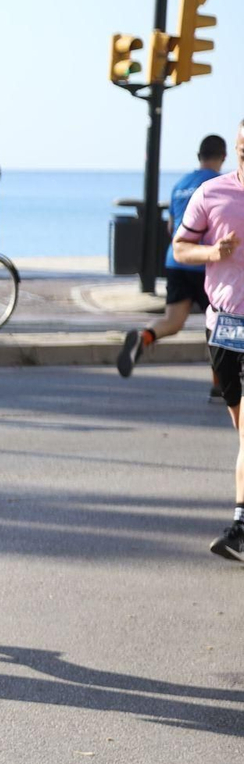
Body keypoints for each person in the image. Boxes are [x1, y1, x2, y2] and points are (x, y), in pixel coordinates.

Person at [171, 120, 244, 563]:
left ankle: (240, 526)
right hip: (224, 328)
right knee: (241, 430)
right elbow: (180, 248)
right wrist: (213, 253)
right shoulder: (212, 193)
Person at [119, 133, 230, 377]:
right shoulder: (221, 186)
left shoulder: (180, 185)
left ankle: (143, 337)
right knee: (219, 324)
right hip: (205, 263)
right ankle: (219, 384)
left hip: (177, 260)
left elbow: (172, 228)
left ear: (199, 156)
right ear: (224, 156)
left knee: (173, 321)